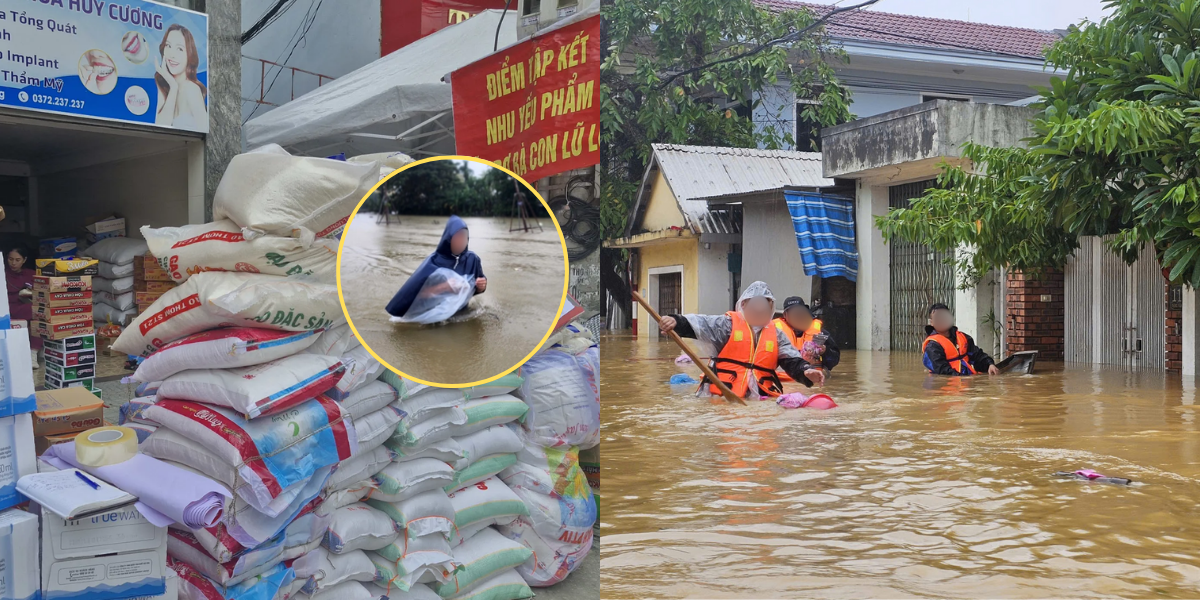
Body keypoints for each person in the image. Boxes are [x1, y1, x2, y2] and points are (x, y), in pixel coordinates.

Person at [657, 281, 825, 399]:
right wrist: (675, 321)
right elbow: (698, 324)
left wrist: (806, 371)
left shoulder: (776, 334)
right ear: (744, 305)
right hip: (722, 394)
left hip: (761, 394)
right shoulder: (727, 325)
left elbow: (792, 361)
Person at [385, 215, 487, 317]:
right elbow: (416, 296)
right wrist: (444, 287)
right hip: (436, 316)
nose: (461, 241)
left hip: (461, 313)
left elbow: (477, 287)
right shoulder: (433, 262)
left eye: (464, 237)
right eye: (458, 237)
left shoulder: (473, 259)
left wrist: (481, 286)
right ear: (448, 238)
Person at [772, 297, 840, 381]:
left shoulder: (820, 333)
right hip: (784, 381)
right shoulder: (774, 333)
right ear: (785, 315)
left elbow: (834, 361)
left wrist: (825, 351)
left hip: (813, 381)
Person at [155, 24, 208, 129]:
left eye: (179, 49)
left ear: (189, 54)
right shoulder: (164, 84)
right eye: (168, 46)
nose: (172, 54)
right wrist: (173, 87)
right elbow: (160, 127)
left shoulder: (192, 89)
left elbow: (206, 132)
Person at [923, 303, 998, 375]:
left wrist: (989, 364)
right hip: (949, 384)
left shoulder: (963, 337)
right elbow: (942, 370)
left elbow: (977, 355)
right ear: (932, 322)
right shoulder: (932, 346)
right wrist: (961, 379)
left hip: (966, 379)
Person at [5, 247, 40, 369]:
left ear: (24, 260)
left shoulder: (31, 274)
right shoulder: (3, 273)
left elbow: (42, 291)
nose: (13, 263)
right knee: (35, 311)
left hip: (27, 306)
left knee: (40, 313)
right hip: (8, 308)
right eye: (10, 259)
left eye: (17, 260)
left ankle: (33, 354)